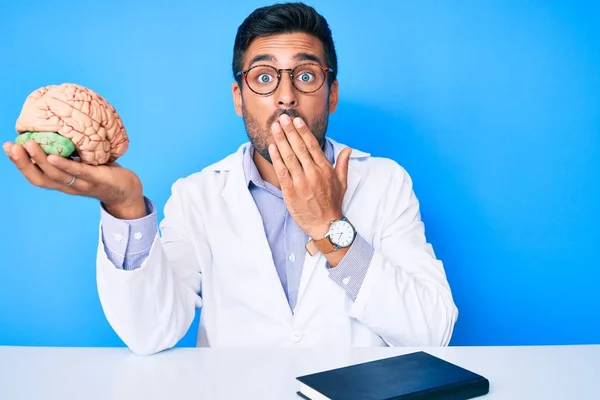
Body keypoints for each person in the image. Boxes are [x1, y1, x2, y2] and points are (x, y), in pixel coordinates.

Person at [3, 2, 458, 355]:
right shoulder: (198, 195)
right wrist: (126, 207)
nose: (285, 96)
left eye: (305, 75)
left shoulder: (384, 182)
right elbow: (151, 332)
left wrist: (330, 229)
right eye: (263, 77)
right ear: (239, 98)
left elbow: (432, 329)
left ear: (332, 93)